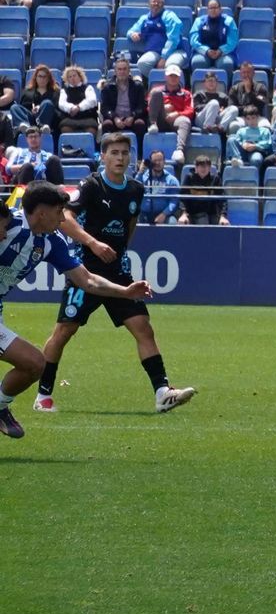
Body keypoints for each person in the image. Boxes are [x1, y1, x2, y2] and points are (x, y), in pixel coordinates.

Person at [32, 132, 195, 416]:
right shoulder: (91, 186)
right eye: (114, 153)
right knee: (64, 331)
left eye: (124, 153)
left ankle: (162, 392)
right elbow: (65, 218)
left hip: (117, 271)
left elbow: (130, 225)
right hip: (85, 269)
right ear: (103, 157)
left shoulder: (135, 189)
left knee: (143, 327)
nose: (120, 158)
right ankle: (43, 394)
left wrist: (117, 255)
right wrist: (93, 243)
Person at [0, 182, 159, 438]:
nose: (63, 217)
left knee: (33, 365)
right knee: (34, 362)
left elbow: (87, 280)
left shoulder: (52, 242)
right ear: (41, 212)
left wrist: (125, 291)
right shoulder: (7, 226)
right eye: (59, 211)